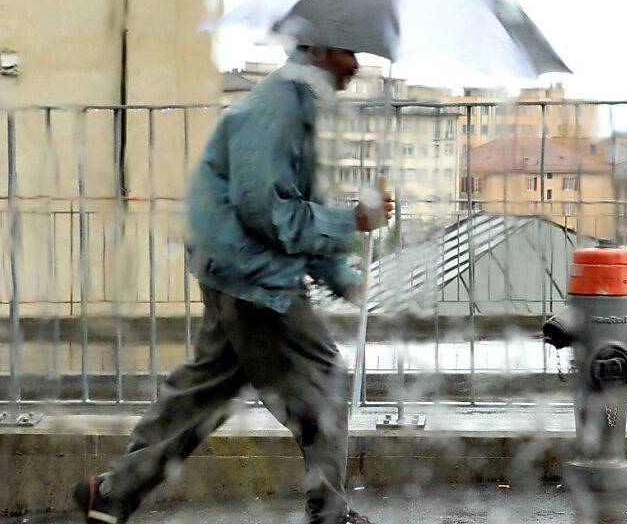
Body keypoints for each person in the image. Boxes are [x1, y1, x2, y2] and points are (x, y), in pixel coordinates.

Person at [72, 45, 392, 524]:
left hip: (236, 271)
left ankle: (112, 492)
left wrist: (341, 276)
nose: (355, 65)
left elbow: (294, 203)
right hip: (256, 277)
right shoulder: (278, 109)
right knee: (323, 378)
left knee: (206, 392)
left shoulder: (294, 105)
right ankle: (329, 513)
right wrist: (352, 222)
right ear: (321, 48)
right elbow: (266, 210)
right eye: (348, 52)